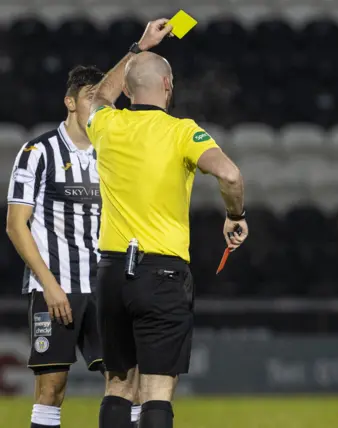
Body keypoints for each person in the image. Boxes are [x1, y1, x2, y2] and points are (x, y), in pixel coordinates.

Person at [85, 19, 247, 428]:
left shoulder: (107, 125)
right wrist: (235, 215)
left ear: (127, 89)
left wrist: (138, 46)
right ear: (168, 87)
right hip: (162, 273)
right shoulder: (182, 132)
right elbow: (230, 176)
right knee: (157, 390)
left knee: (118, 385)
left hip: (111, 271)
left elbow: (98, 95)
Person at [5, 66, 141, 428]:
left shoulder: (112, 153)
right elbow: (16, 225)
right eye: (88, 99)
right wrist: (49, 285)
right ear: (70, 102)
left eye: (101, 100)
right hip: (55, 287)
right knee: (52, 387)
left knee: (125, 382)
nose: (96, 107)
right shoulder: (38, 151)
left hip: (105, 286)